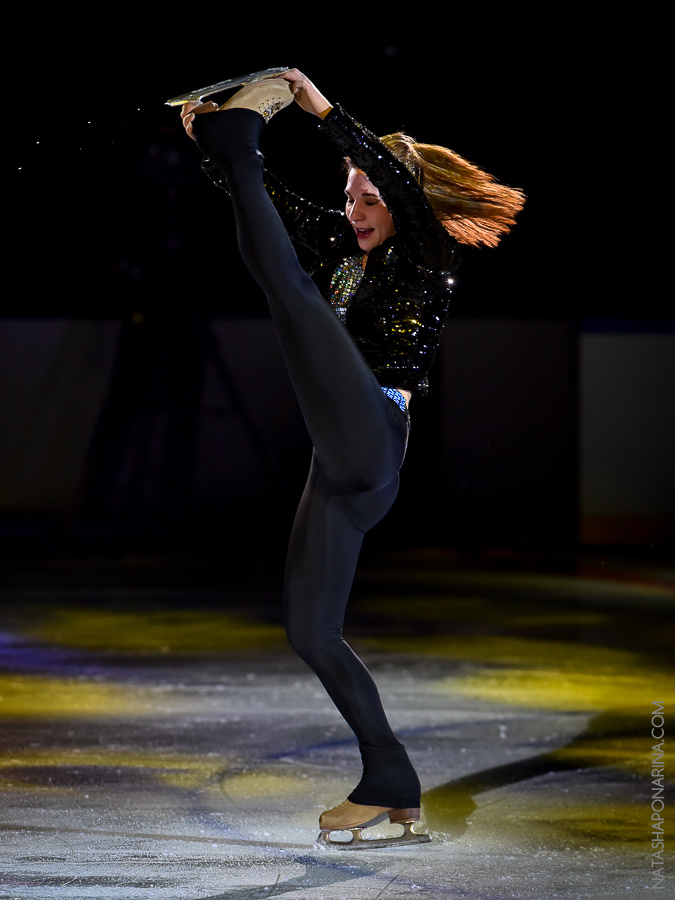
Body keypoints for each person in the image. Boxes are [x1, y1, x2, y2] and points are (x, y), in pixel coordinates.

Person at [179, 70, 525, 848]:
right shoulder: (345, 252)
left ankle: (237, 139)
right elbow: (267, 206)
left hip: (372, 434)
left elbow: (388, 191)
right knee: (311, 633)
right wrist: (212, 151)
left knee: (291, 294)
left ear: (400, 200)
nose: (355, 209)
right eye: (350, 195)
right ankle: (389, 774)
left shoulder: (427, 250)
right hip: (338, 468)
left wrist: (323, 112)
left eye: (370, 197)